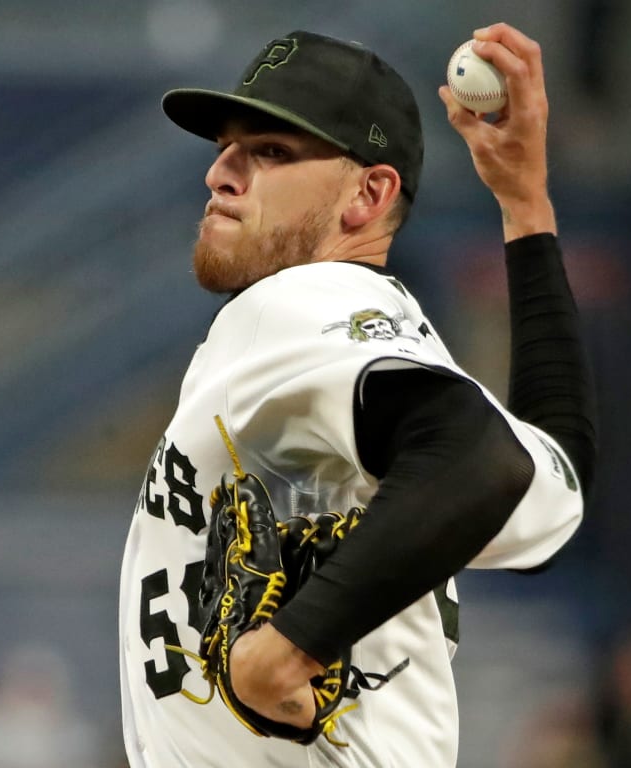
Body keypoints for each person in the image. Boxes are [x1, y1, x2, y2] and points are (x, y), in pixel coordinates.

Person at [117, 23, 597, 766]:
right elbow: (554, 477)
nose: (221, 174)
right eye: (225, 147)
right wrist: (526, 206)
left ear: (368, 195)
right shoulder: (381, 339)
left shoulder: (306, 305)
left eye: (269, 152)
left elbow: (482, 460)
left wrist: (281, 653)